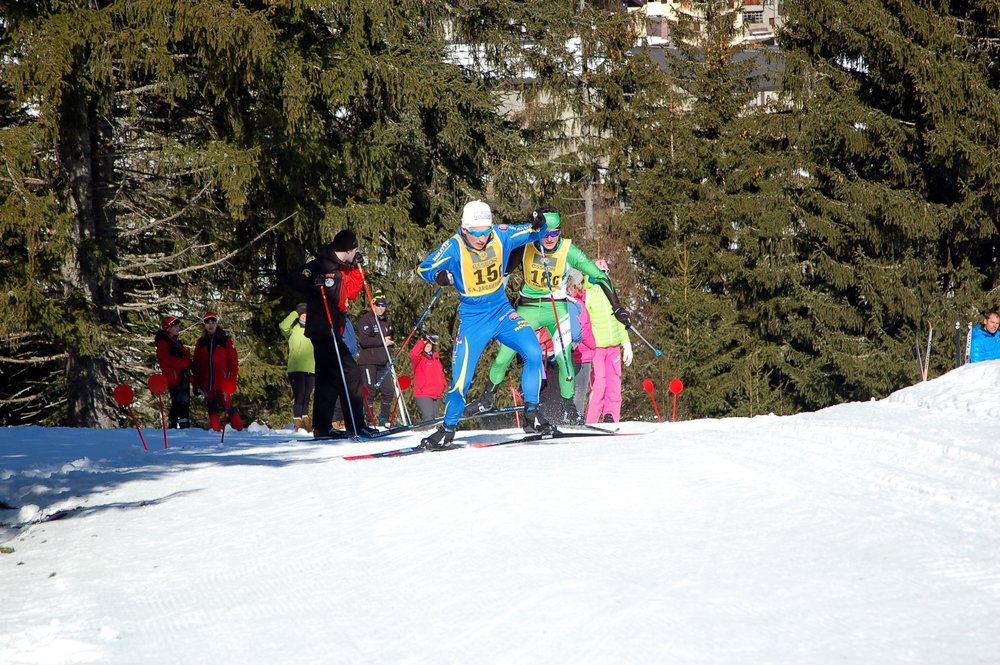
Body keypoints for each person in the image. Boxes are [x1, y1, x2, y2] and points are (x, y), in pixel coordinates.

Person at [467, 209, 630, 425]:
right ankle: (488, 396)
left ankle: (568, 406)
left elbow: (598, 275)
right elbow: (502, 274)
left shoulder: (567, 250)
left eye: (555, 233)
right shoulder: (525, 246)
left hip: (556, 309)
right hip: (528, 308)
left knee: (564, 359)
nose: (550, 238)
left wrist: (616, 305)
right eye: (546, 233)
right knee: (503, 355)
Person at [416, 199, 550, 449]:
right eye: (476, 233)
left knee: (533, 350)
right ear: (464, 229)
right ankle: (447, 429)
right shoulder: (454, 246)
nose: (481, 238)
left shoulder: (499, 235)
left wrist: (539, 223)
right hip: (474, 320)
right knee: (460, 381)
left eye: (485, 231)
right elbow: (423, 268)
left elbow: (536, 232)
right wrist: (439, 276)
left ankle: (532, 415)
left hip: (501, 311)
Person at [286, 230, 378, 438]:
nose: (356, 252)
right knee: (351, 373)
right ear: (347, 249)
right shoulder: (322, 265)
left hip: (334, 329)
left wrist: (355, 269)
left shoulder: (344, 268)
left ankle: (322, 426)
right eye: (354, 250)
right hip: (322, 329)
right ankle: (355, 425)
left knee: (328, 379)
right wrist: (312, 285)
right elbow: (293, 278)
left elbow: (352, 293)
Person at [584, 259, 633, 423]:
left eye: (605, 273)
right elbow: (584, 321)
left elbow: (619, 321)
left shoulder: (611, 294)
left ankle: (611, 416)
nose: (602, 277)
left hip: (613, 347)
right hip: (597, 348)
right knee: (599, 384)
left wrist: (626, 344)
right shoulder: (588, 294)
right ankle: (592, 419)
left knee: (614, 384)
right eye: (599, 273)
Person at [191, 312, 244, 432]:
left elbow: (233, 363)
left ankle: (240, 429)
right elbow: (197, 365)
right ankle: (215, 431)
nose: (210, 325)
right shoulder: (201, 342)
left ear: (217, 323)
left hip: (222, 381)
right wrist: (195, 383)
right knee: (211, 406)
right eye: (207, 322)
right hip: (206, 381)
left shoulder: (225, 340)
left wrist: (232, 380)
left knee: (227, 406)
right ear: (204, 325)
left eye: (213, 322)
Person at [357, 290, 396, 428]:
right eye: (378, 305)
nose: (381, 308)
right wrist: (382, 341)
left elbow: (389, 339)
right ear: (373, 304)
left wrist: (391, 347)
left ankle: (384, 419)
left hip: (382, 362)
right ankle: (368, 419)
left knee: (388, 391)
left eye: (383, 305)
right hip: (369, 362)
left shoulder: (386, 320)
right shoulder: (366, 319)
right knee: (370, 390)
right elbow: (364, 340)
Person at [279, 303, 314, 432]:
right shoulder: (293, 329)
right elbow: (283, 326)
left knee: (307, 396)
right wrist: (295, 313)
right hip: (296, 368)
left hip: (311, 368)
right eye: (302, 314)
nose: (304, 317)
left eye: (307, 314)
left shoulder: (312, 329)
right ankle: (297, 422)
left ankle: (306, 420)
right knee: (299, 394)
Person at [566, 270, 596, 417]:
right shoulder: (577, 304)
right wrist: (593, 344)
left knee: (569, 388)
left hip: (570, 354)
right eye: (581, 283)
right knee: (580, 389)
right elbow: (583, 329)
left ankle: (567, 415)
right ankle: (576, 417)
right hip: (582, 354)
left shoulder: (563, 302)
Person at [154, 316, 192, 429]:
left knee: (184, 403)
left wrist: (189, 364)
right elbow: (168, 360)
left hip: (182, 377)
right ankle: (172, 426)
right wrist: (187, 363)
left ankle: (184, 425)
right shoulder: (163, 342)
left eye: (178, 326)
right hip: (173, 378)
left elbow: (186, 356)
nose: (178, 328)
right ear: (168, 328)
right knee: (177, 402)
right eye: (175, 326)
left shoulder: (176, 342)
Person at [409, 333, 447, 422]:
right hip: (423, 393)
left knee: (435, 419)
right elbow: (413, 354)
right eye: (426, 344)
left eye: (430, 344)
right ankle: (427, 434)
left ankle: (431, 434)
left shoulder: (436, 358)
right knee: (428, 418)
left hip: (436, 393)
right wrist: (422, 341)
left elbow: (441, 374)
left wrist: (443, 385)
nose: (428, 346)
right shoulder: (419, 358)